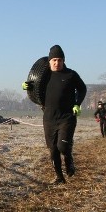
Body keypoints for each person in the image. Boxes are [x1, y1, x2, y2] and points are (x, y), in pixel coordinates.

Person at [29, 44, 86, 184]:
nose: (56, 63)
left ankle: (68, 158)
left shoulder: (71, 74)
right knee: (53, 149)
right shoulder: (44, 76)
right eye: (54, 60)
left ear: (63, 61)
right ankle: (59, 177)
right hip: (49, 118)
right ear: (49, 61)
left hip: (67, 117)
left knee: (62, 146)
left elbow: (82, 89)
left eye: (59, 60)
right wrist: (28, 86)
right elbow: (34, 87)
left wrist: (77, 104)